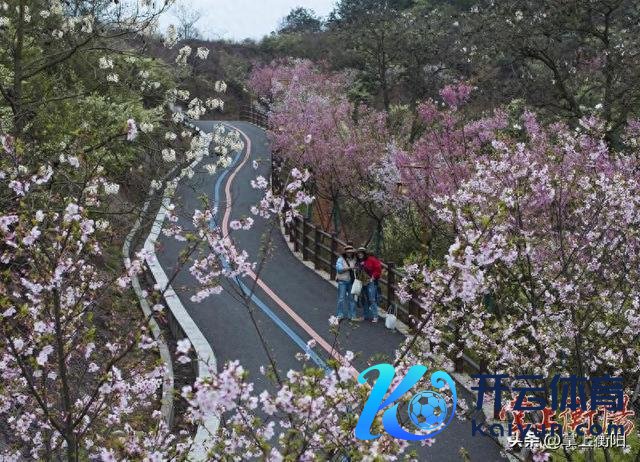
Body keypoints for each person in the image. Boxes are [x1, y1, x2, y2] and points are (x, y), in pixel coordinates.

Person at [358, 246, 382, 322]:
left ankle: (375, 316)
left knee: (372, 299)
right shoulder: (360, 261)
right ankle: (365, 315)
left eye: (361, 253)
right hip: (363, 281)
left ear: (364, 253)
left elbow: (378, 269)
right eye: (359, 253)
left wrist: (373, 277)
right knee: (365, 298)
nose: (360, 254)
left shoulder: (372, 259)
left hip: (371, 282)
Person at [335, 245, 359, 321]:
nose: (349, 253)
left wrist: (356, 269)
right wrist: (349, 268)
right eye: (348, 252)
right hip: (342, 281)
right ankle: (340, 314)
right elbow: (339, 269)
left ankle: (352, 315)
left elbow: (357, 269)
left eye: (351, 252)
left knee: (352, 299)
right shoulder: (340, 259)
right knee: (341, 298)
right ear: (345, 252)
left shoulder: (354, 260)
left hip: (351, 281)